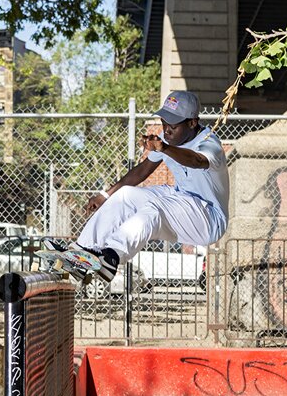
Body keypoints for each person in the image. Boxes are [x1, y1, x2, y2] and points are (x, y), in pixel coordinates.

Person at [49, 91, 229, 282]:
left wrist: (164, 148)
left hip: (209, 219)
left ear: (192, 123)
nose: (166, 131)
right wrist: (105, 195)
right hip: (180, 201)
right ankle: (80, 255)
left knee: (154, 209)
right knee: (125, 195)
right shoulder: (168, 139)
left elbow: (197, 160)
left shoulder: (209, 142)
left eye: (173, 126)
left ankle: (112, 256)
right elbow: (143, 170)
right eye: (163, 123)